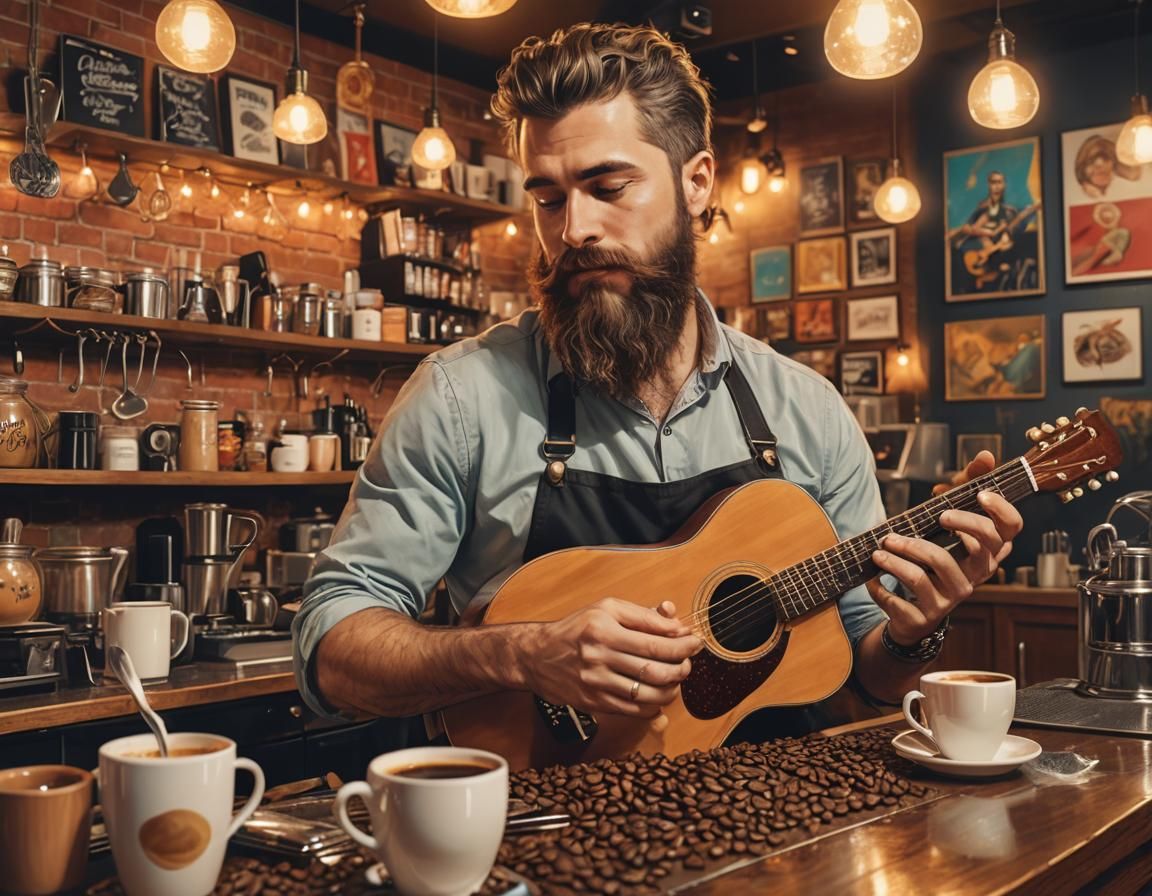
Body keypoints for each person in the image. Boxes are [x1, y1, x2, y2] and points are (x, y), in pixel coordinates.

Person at [293, 23, 1021, 743]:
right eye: (548, 198)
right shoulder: (460, 398)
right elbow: (332, 649)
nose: (575, 228)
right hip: (543, 829)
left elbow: (870, 673)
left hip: (781, 829)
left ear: (697, 181)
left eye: (609, 187)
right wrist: (517, 654)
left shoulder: (807, 410)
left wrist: (916, 634)